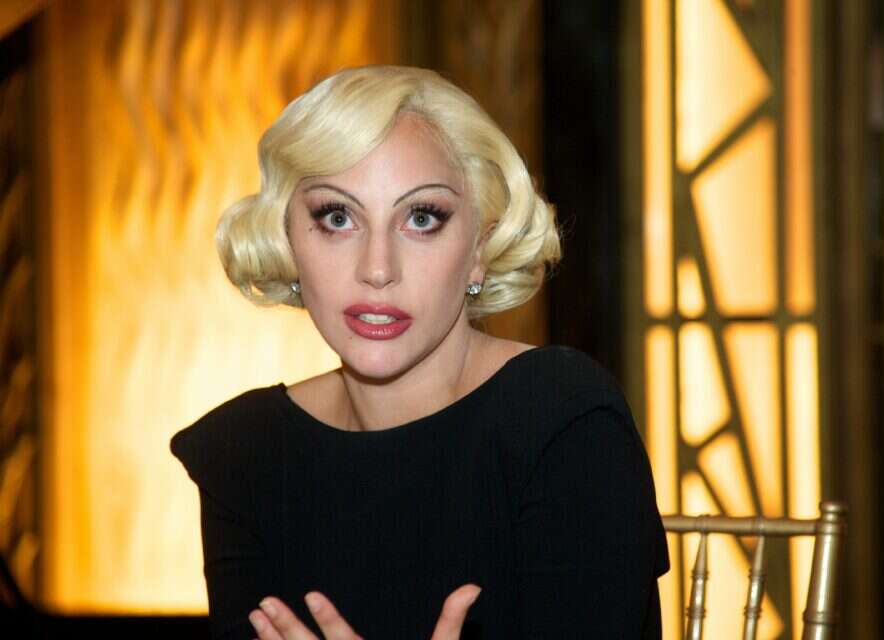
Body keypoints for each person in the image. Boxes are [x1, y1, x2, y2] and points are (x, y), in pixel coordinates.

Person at [170, 64, 668, 640]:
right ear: (286, 241)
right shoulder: (245, 451)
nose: (378, 269)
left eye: (422, 218)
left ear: (480, 247)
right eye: (337, 217)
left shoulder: (561, 419)